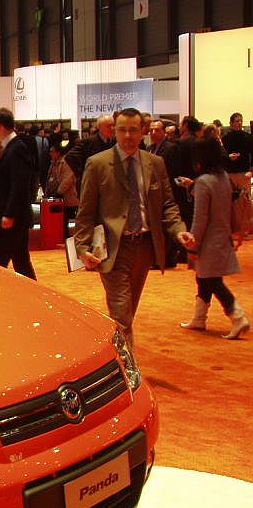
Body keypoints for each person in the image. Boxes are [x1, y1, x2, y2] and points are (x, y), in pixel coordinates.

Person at [74, 107, 195, 348]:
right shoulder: (97, 164)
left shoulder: (156, 163)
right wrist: (81, 246)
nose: (127, 135)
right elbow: (86, 210)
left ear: (143, 132)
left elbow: (168, 204)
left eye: (132, 130)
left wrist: (178, 229)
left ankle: (117, 354)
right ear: (114, 132)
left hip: (145, 248)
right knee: (121, 314)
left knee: (129, 310)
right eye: (122, 130)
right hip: (112, 249)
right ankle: (128, 371)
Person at [180, 138, 249, 339]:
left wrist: (193, 244)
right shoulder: (223, 178)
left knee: (212, 280)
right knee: (204, 278)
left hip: (208, 240)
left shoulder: (204, 181)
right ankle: (199, 318)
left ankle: (238, 316)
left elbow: (200, 218)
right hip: (222, 237)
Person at [0, 107, 37, 279]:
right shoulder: (11, 147)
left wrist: (9, 214)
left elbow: (19, 185)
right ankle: (34, 295)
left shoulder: (16, 148)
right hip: (11, 218)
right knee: (21, 261)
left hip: (11, 220)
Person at [223, 112, 252, 241]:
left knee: (245, 203)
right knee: (231, 203)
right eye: (236, 121)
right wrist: (228, 158)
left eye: (241, 121)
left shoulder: (248, 137)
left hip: (243, 173)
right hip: (229, 173)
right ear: (231, 123)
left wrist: (251, 171)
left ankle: (244, 230)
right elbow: (222, 156)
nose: (239, 123)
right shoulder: (225, 138)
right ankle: (232, 230)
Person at [44, 140, 79, 240]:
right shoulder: (53, 164)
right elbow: (49, 179)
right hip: (55, 196)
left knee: (64, 219)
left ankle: (65, 237)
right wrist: (47, 192)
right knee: (59, 219)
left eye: (52, 152)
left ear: (58, 153)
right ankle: (59, 235)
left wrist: (59, 192)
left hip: (66, 197)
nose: (50, 154)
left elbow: (67, 180)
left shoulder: (65, 162)